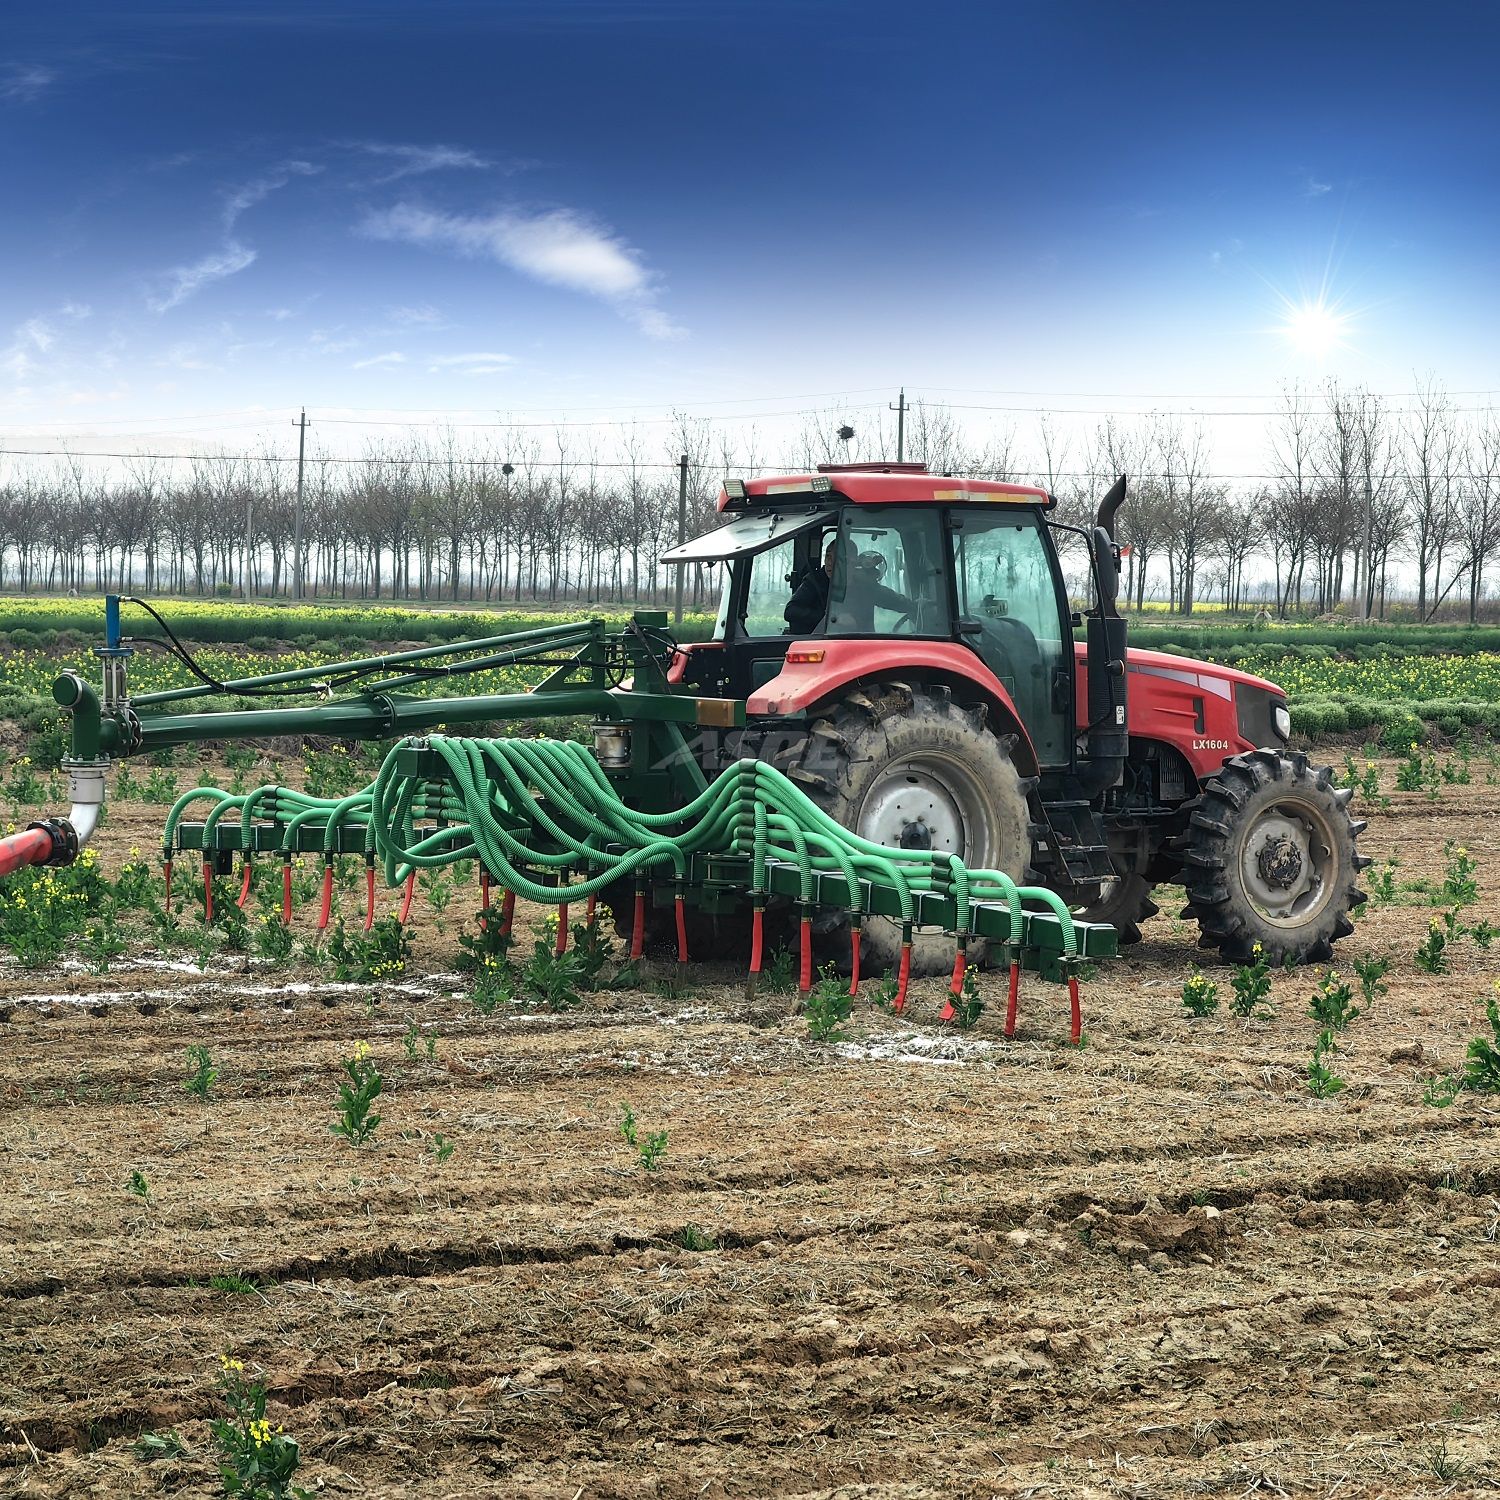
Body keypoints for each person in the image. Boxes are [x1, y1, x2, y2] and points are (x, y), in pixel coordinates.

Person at [784, 536, 912, 634]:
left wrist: (915, 607)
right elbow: (791, 611)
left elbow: (890, 599)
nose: (830, 563)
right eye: (828, 557)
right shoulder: (815, 581)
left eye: (837, 559)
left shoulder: (864, 584)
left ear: (851, 562)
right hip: (821, 645)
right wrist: (833, 618)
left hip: (860, 644)